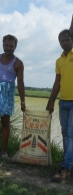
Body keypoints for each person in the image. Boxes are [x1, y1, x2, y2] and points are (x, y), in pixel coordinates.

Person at [47, 29, 73, 182]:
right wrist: (51, 101)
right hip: (63, 102)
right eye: (62, 41)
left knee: (71, 134)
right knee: (65, 134)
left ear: (72, 39)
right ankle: (66, 161)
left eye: (67, 39)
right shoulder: (59, 60)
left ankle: (66, 169)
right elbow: (57, 82)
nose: (65, 42)